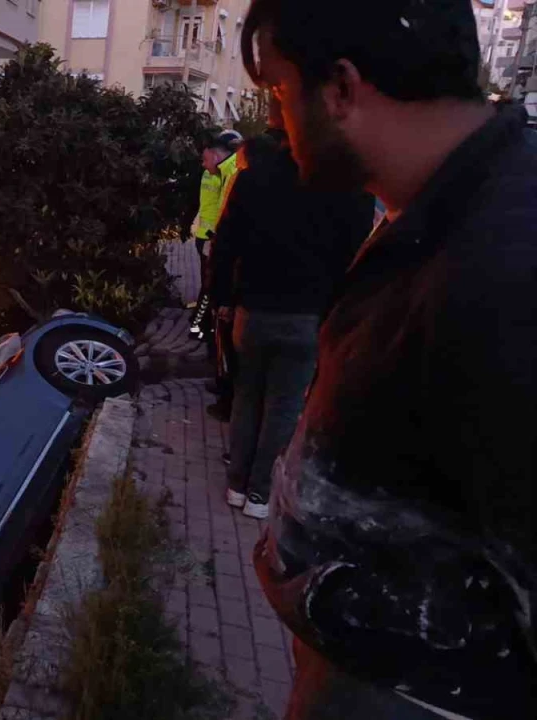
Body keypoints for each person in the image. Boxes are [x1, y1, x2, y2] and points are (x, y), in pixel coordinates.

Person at [240, 1, 537, 719]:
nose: (277, 118)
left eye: (280, 89)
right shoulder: (441, 210)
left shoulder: (508, 270)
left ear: (342, 88)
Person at [208, 103, 373, 520]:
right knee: (283, 405)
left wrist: (222, 297)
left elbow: (225, 243)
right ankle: (259, 494)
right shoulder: (350, 188)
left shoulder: (253, 179)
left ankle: (236, 485)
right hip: (308, 315)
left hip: (253, 309)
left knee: (247, 395)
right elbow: (357, 257)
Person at [188, 130, 243, 345]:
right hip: (210, 238)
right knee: (210, 286)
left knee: (209, 285)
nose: (203, 164)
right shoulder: (220, 172)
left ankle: (201, 324)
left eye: (205, 159)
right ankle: (200, 326)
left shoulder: (223, 172)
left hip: (209, 237)